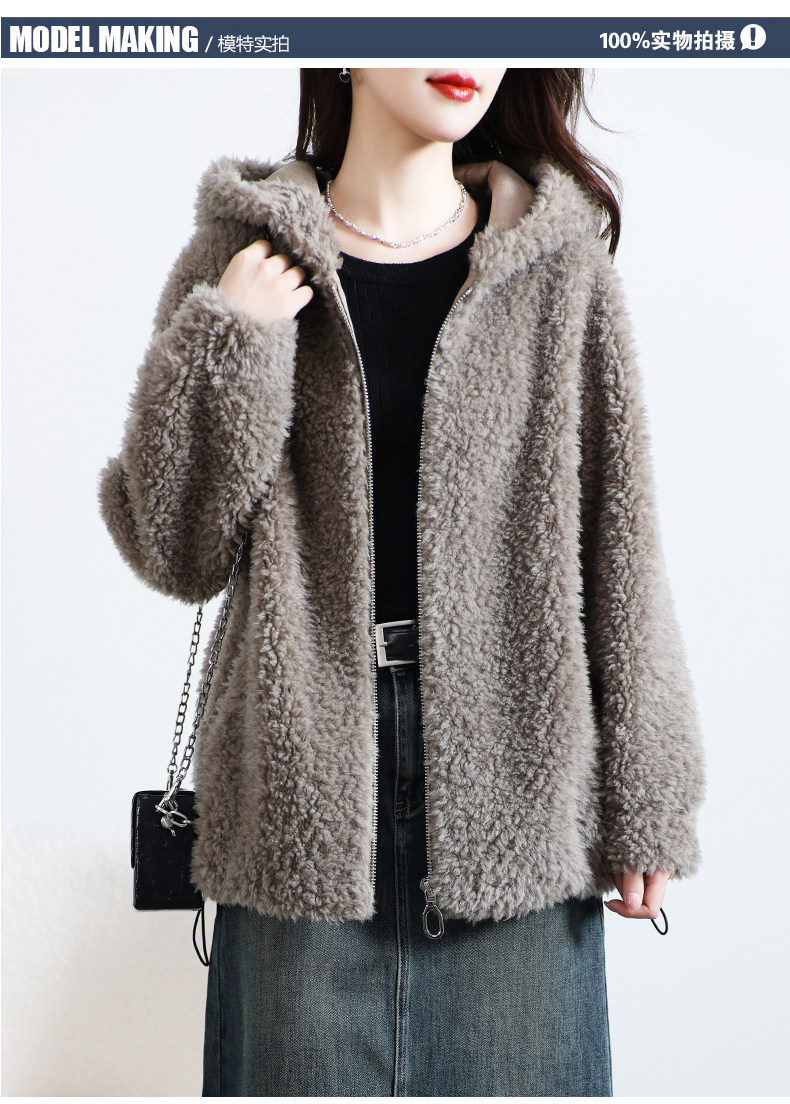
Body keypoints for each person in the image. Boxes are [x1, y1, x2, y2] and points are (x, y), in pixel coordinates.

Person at [98, 67, 707, 1096]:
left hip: (516, 786)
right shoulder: (240, 254)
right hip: (297, 791)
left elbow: (620, 538)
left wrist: (646, 795)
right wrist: (231, 334)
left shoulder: (557, 266)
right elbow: (175, 550)